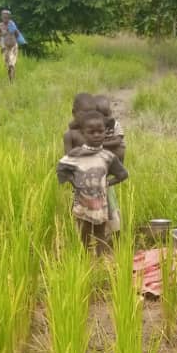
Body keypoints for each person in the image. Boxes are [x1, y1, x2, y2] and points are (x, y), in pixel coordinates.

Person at [56, 110, 129, 254]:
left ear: (105, 132)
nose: (97, 135)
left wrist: (108, 183)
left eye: (100, 131)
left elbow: (122, 174)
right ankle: (85, 260)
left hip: (100, 205)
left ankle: (99, 261)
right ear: (83, 133)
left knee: (100, 234)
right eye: (91, 132)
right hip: (82, 204)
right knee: (84, 234)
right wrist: (75, 182)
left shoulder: (107, 156)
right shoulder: (76, 155)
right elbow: (61, 170)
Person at [94, 94, 126, 235]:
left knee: (109, 205)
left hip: (114, 157)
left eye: (108, 115)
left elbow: (118, 142)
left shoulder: (115, 125)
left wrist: (101, 145)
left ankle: (115, 233)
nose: (107, 119)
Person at [0, 9, 26, 84]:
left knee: (12, 64)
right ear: (1, 17)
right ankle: (10, 80)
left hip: (13, 47)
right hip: (6, 48)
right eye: (4, 17)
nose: (5, 18)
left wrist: (13, 31)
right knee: (8, 66)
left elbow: (17, 34)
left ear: (9, 17)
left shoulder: (12, 24)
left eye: (7, 17)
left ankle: (13, 81)